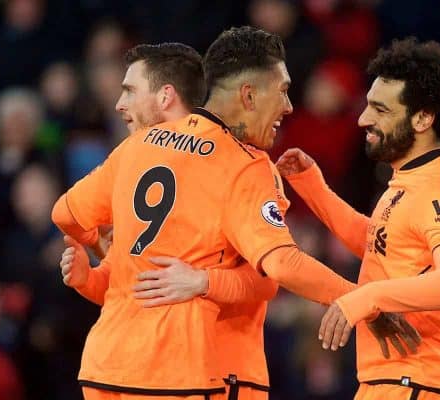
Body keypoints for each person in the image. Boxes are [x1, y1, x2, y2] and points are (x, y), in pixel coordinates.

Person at [51, 27, 368, 400]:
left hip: (108, 367)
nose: (289, 106)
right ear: (248, 95)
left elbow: (65, 214)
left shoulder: (136, 147)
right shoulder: (243, 165)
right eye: (282, 90)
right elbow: (275, 270)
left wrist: (107, 253)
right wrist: (364, 301)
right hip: (189, 369)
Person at [276, 37, 440, 399]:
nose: (362, 119)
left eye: (380, 110)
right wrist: (313, 188)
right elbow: (378, 242)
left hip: (416, 382)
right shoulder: (410, 180)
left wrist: (367, 297)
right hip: (396, 381)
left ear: (422, 118)